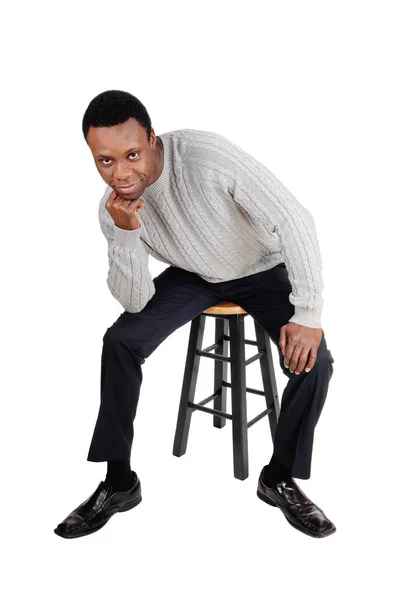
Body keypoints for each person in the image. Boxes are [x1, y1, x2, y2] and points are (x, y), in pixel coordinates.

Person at [54, 89, 336, 539]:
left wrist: (308, 312)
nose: (122, 173)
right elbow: (133, 302)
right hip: (192, 274)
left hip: (259, 269)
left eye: (131, 154)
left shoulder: (205, 157)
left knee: (315, 362)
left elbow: (296, 220)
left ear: (151, 137)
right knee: (120, 341)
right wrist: (128, 236)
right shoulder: (114, 211)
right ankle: (118, 482)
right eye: (105, 161)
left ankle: (279, 476)